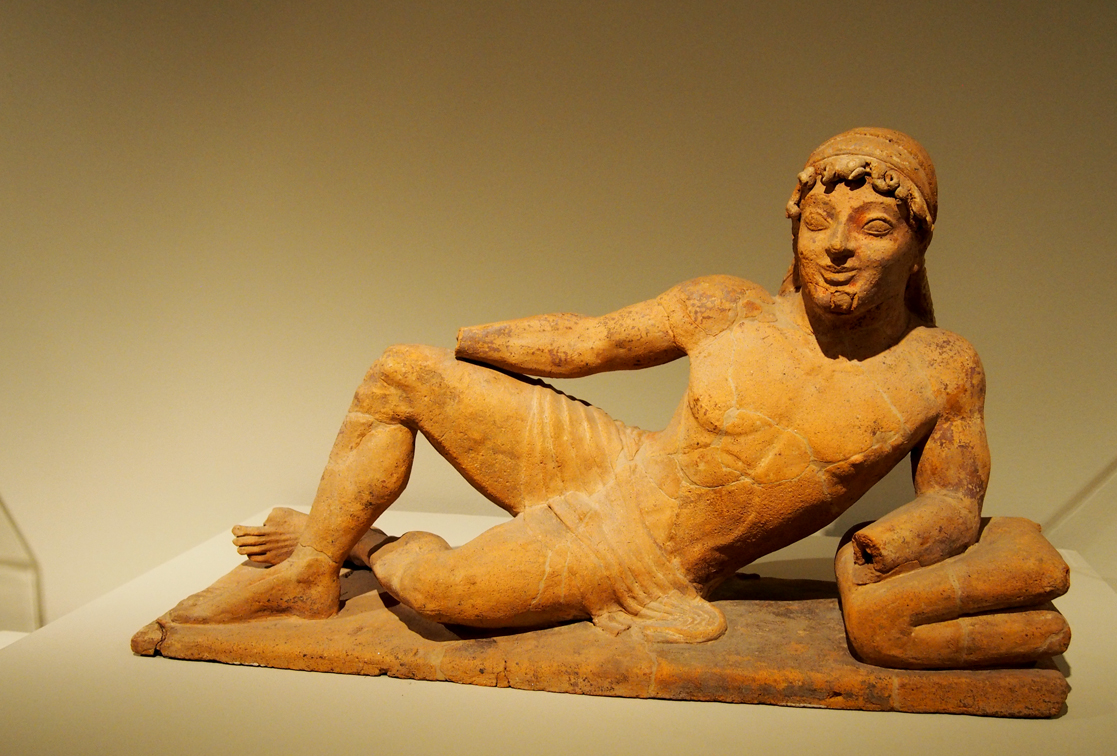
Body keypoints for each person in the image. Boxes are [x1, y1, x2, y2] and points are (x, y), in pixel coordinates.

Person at [172, 128, 1069, 667]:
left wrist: (891, 543)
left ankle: (372, 545)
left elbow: (956, 498)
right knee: (402, 370)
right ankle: (312, 569)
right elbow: (590, 342)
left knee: (446, 593)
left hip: (645, 555)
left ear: (916, 244)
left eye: (873, 227)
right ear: (793, 227)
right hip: (613, 460)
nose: (838, 246)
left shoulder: (939, 369)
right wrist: (468, 344)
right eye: (818, 221)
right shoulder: (728, 307)